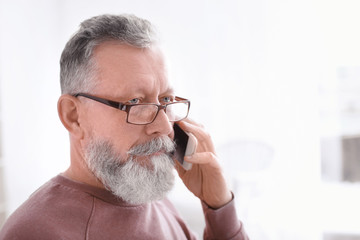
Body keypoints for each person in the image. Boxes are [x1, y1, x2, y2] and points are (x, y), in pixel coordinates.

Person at [0, 14, 248, 240]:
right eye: (135, 102)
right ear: (73, 116)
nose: (164, 127)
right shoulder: (35, 232)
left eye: (166, 100)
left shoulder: (152, 199)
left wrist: (219, 205)